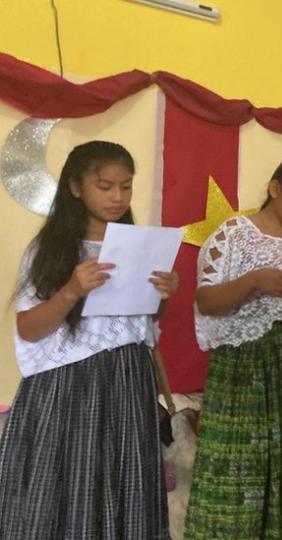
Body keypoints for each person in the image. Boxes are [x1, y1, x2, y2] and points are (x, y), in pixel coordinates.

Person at [0, 141, 176, 538]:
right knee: (68, 482)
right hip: (68, 386)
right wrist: (70, 291)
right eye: (105, 185)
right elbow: (29, 329)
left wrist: (163, 296)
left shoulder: (140, 245)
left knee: (125, 479)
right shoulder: (49, 249)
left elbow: (142, 325)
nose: (117, 197)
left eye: (126, 186)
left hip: (128, 381)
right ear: (76, 188)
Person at [185, 156, 282, 538]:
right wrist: (252, 281)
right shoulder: (233, 235)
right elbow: (206, 302)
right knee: (238, 468)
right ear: (275, 189)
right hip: (243, 368)